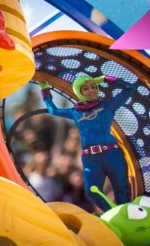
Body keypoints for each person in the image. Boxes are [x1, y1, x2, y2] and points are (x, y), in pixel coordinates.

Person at [39, 73, 138, 207]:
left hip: (112, 155)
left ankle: (125, 218)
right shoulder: (75, 112)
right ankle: (113, 215)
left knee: (121, 190)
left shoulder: (108, 106)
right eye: (85, 88)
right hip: (90, 159)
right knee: (92, 192)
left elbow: (129, 88)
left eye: (93, 87)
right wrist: (45, 89)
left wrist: (106, 78)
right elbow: (53, 110)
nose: (91, 91)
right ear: (79, 92)